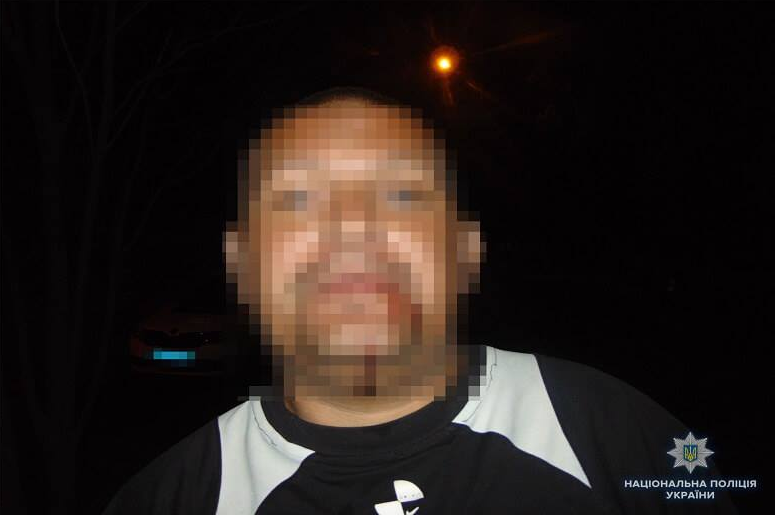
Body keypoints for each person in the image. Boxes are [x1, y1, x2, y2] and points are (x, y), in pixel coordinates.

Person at [102, 87, 739, 514]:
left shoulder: (611, 432)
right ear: (240, 263)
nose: (353, 226)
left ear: (466, 250)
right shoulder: (171, 498)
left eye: (403, 194)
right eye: (296, 198)